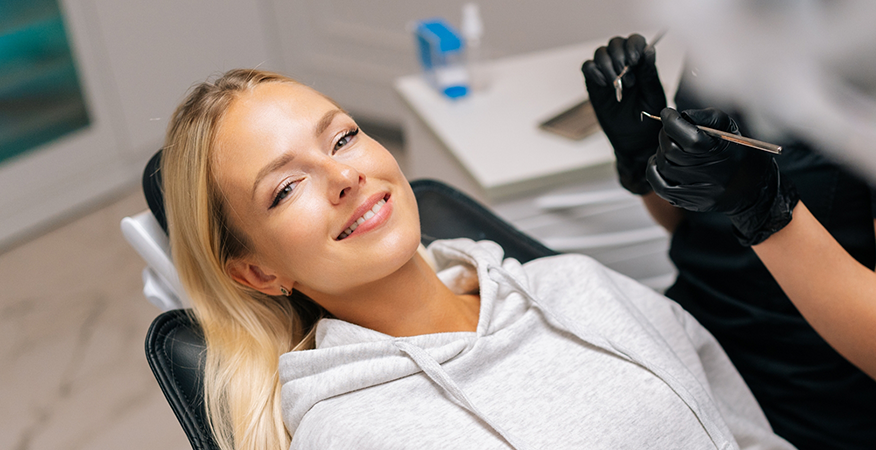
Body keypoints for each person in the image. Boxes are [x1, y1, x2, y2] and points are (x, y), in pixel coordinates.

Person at [160, 68, 796, 450]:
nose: (344, 175)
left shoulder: (577, 285)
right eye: (286, 187)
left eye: (344, 137)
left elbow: (748, 435)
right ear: (259, 273)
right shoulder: (351, 433)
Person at [583, 35, 876, 450]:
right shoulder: (729, 32)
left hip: (821, 412)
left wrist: (762, 207)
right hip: (695, 363)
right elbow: (696, 230)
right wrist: (639, 153)